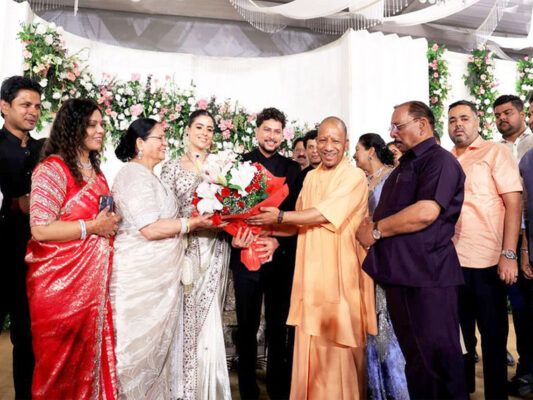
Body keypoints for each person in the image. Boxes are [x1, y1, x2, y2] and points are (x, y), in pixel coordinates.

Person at [249, 116, 377, 400]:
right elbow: (298, 221)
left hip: (341, 276)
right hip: (310, 276)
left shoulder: (353, 177)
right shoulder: (311, 177)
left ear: (346, 143)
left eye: (335, 141)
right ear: (315, 143)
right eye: (323, 140)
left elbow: (320, 214)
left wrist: (279, 217)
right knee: (309, 341)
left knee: (339, 345)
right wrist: (263, 229)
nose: (328, 146)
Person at [358, 101, 467, 399]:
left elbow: (425, 212)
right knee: (417, 362)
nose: (392, 133)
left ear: (422, 125)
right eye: (392, 126)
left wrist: (377, 230)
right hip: (401, 276)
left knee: (440, 362)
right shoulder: (405, 164)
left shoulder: (440, 161)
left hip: (428, 277)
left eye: (398, 126)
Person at [110, 118, 213, 399]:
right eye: (159, 138)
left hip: (157, 281)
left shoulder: (149, 175)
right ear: (140, 143)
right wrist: (192, 223)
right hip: (138, 282)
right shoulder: (133, 175)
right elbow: (149, 228)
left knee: (155, 355)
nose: (165, 143)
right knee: (133, 353)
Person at [25, 98, 121, 399]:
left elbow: (101, 220)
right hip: (60, 287)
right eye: (92, 124)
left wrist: (109, 224)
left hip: (94, 290)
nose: (100, 130)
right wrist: (92, 227)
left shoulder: (97, 173)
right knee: (58, 369)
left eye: (101, 124)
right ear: (73, 127)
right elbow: (40, 229)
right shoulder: (52, 170)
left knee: (89, 363)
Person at [449, 100, 522, 399]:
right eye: (452, 119)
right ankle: (464, 390)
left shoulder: (495, 152)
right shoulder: (446, 159)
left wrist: (509, 254)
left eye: (464, 118)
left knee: (493, 339)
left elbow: (514, 203)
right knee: (461, 339)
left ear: (478, 121)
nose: (458, 124)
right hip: (452, 262)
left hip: (488, 261)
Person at [230, 107, 302, 400]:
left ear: (283, 135)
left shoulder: (293, 169)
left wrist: (276, 242)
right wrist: (236, 236)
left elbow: (297, 215)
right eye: (267, 130)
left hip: (279, 260)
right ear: (257, 131)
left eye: (277, 131)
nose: (271, 136)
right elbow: (228, 210)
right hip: (245, 256)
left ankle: (277, 388)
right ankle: (248, 389)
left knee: (277, 327)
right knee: (246, 327)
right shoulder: (238, 165)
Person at [354, 133, 409, 400]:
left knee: (388, 320)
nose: (354, 155)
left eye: (357, 149)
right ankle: (376, 388)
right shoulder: (360, 181)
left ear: (371, 151)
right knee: (371, 319)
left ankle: (398, 387)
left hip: (386, 253)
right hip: (362, 255)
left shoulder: (392, 176)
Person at [0, 75, 42, 399]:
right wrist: (17, 202)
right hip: (1, 251)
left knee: (27, 336)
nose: (33, 111)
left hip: (34, 256)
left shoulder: (43, 149)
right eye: (25, 104)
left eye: (37, 106)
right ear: (4, 106)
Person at [494, 94, 533, 397]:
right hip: (511, 241)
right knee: (521, 312)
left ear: (521, 114)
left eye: (508, 113)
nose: (502, 119)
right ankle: (525, 370)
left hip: (526, 239)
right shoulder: (495, 150)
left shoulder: (529, 148)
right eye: (497, 115)